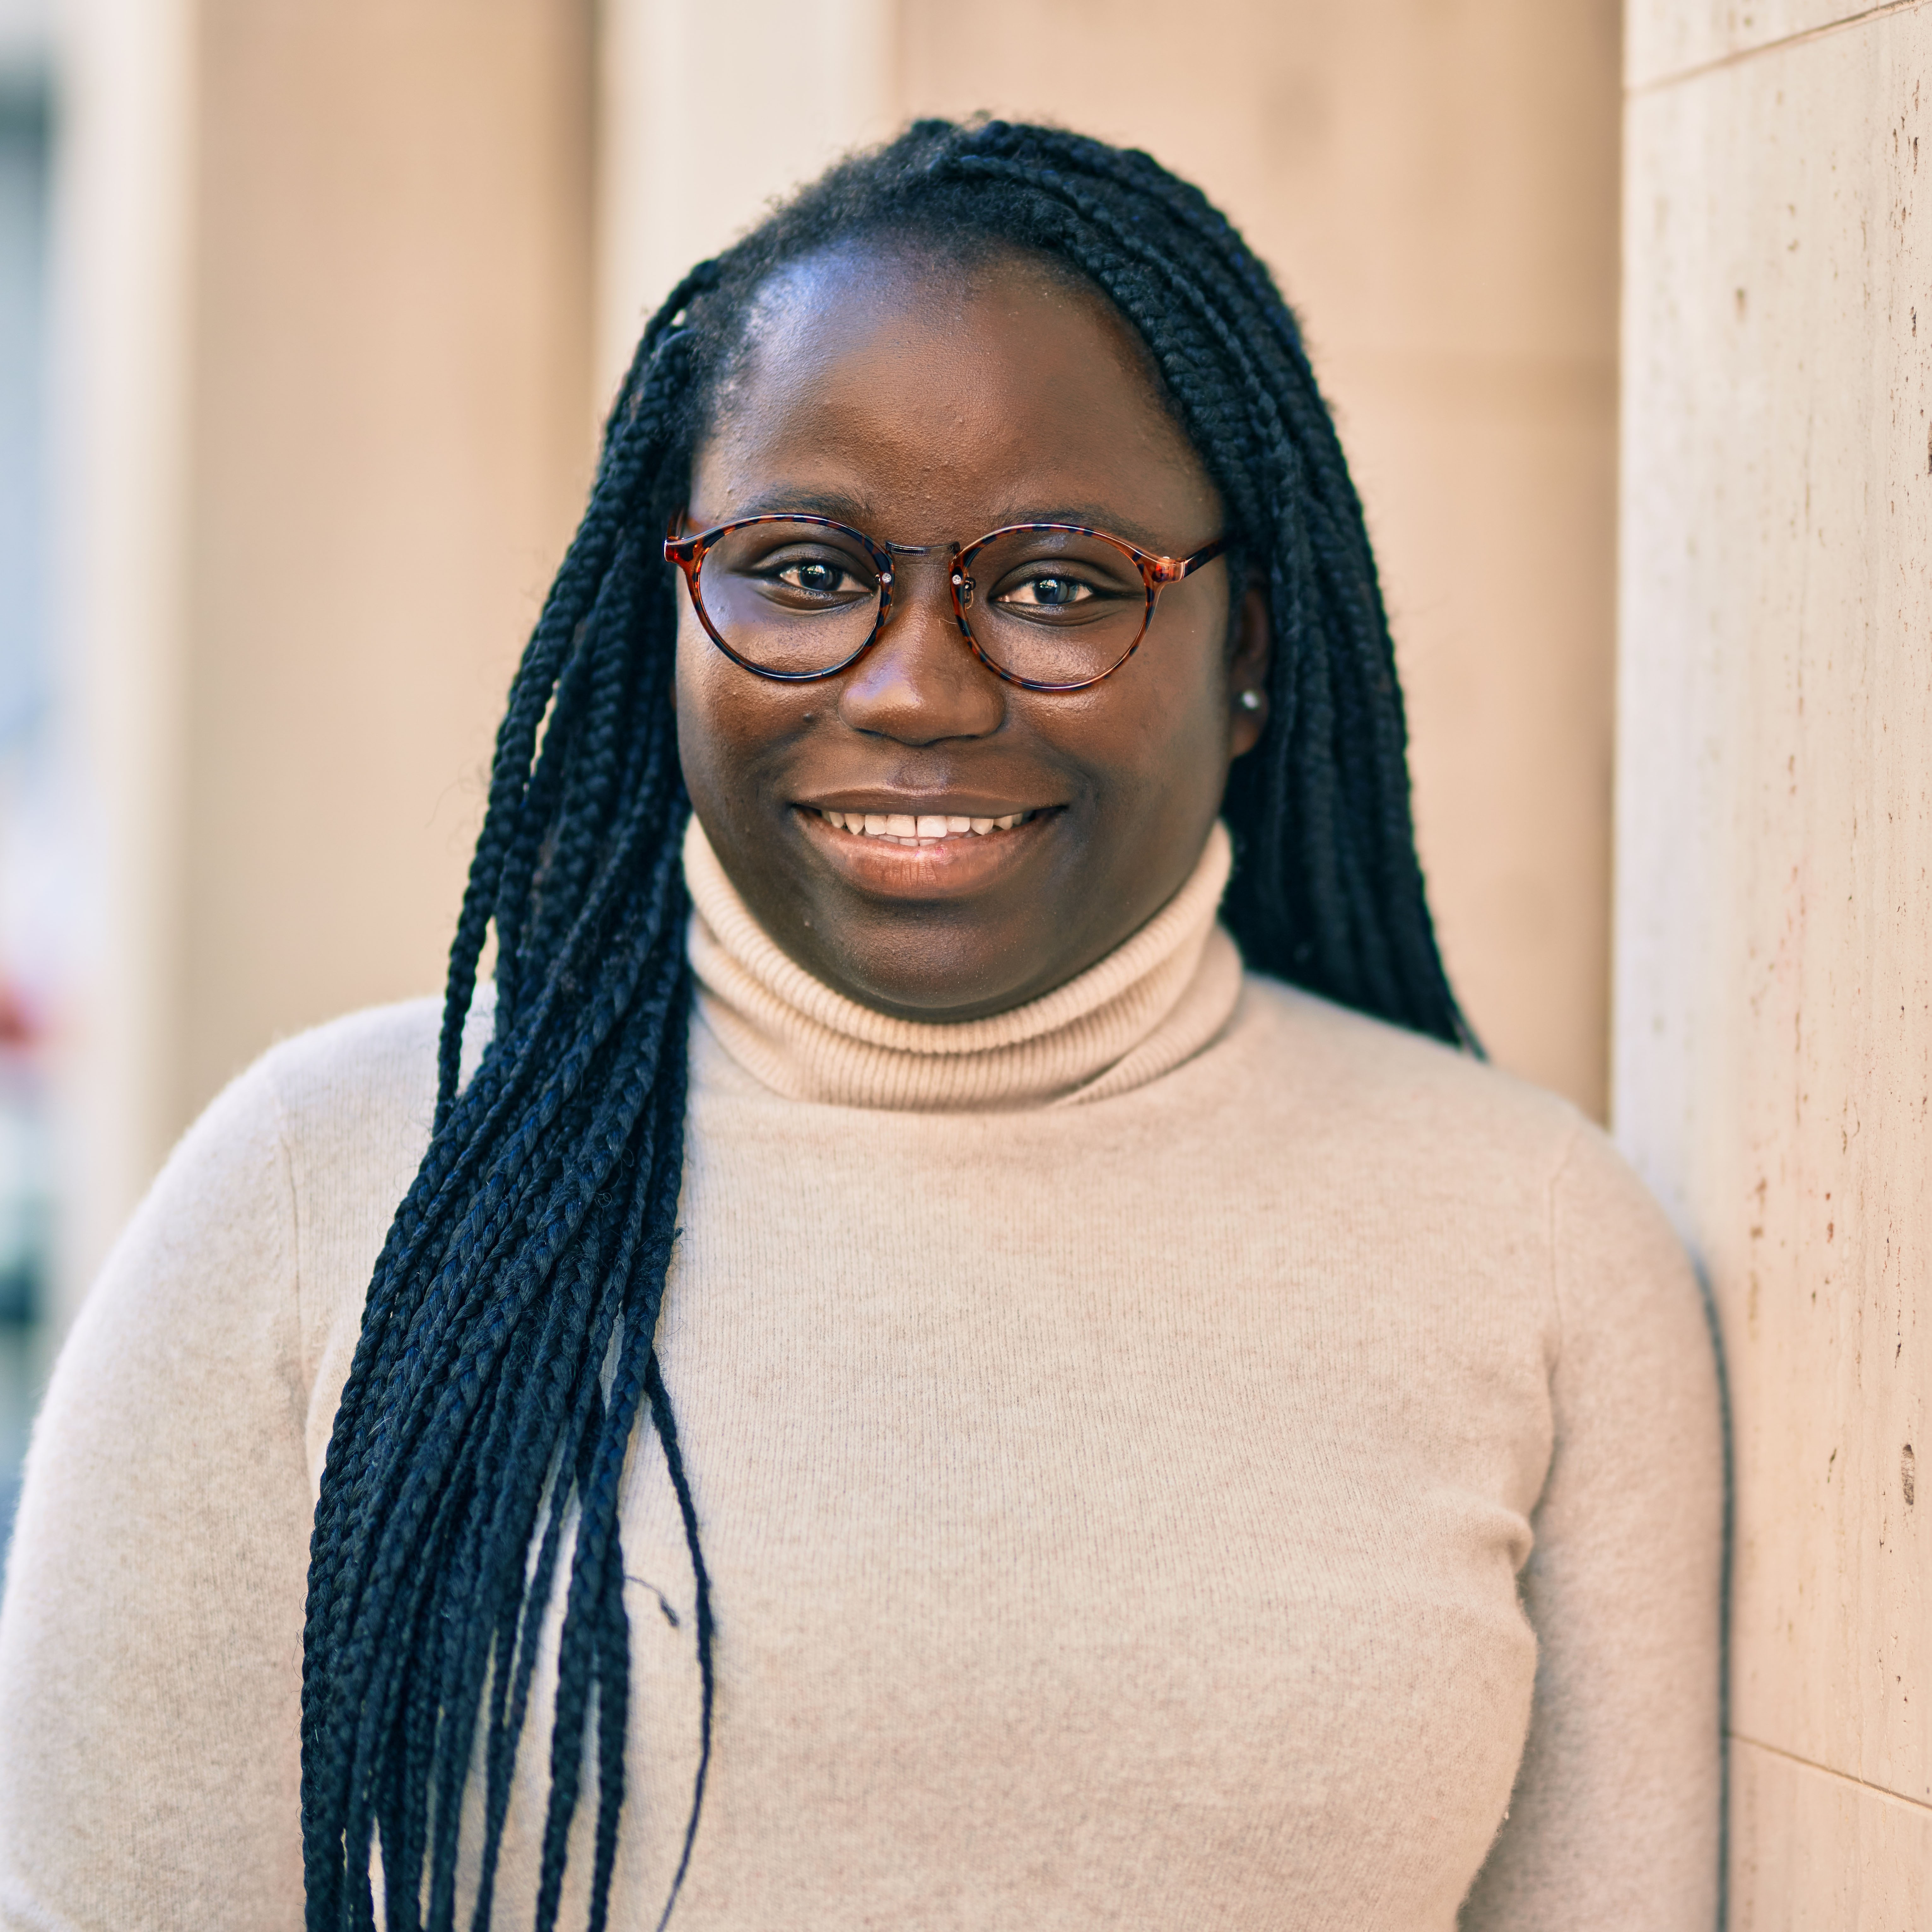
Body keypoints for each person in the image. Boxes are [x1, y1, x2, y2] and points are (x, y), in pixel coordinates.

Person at [0, 120, 1722, 1931]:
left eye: (1060, 586)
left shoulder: (1535, 1254)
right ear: (664, 598)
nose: (914, 687)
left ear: (1254, 656)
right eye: (806, 571)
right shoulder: (328, 1193)